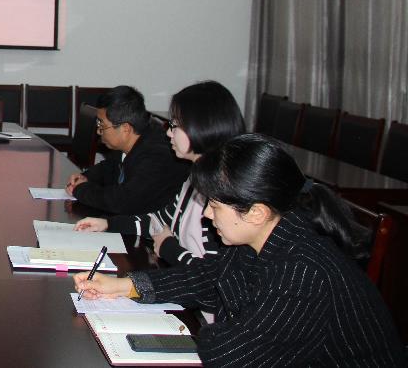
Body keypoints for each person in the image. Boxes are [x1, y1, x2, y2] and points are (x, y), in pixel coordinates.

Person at [74, 134, 405, 367]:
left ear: (257, 212)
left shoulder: (303, 273)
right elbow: (208, 277)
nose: (206, 214)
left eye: (215, 206)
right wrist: (125, 286)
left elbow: (231, 355)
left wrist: (195, 329)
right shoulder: (265, 236)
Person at [75, 81, 245, 265]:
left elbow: (212, 274)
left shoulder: (222, 193)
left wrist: (167, 247)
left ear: (202, 128)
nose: (169, 133)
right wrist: (108, 224)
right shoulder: (195, 177)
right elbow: (160, 221)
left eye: (175, 125)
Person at [65, 85, 189, 215]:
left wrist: (81, 190)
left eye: (102, 124)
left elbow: (124, 201)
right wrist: (85, 177)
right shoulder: (132, 140)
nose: (98, 131)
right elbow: (109, 167)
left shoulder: (158, 156)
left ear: (125, 128)